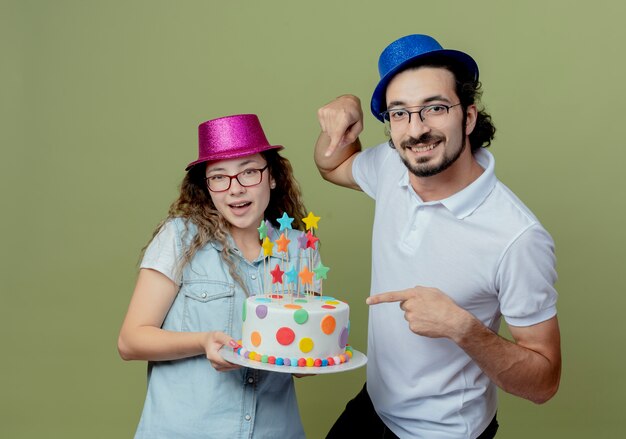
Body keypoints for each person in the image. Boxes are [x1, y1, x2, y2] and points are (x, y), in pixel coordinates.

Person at [314, 34, 561, 439]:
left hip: (442, 432)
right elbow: (331, 164)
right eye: (399, 114)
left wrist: (462, 327)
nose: (416, 130)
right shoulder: (392, 169)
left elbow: (545, 383)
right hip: (373, 407)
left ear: (467, 116)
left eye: (435, 108)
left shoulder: (517, 237)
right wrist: (345, 109)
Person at [118, 114, 313, 438]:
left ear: (273, 177)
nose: (235, 189)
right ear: (207, 187)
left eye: (249, 172)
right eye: (219, 177)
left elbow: (305, 360)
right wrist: (203, 341)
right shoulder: (179, 238)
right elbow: (130, 341)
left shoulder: (299, 247)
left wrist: (312, 354)